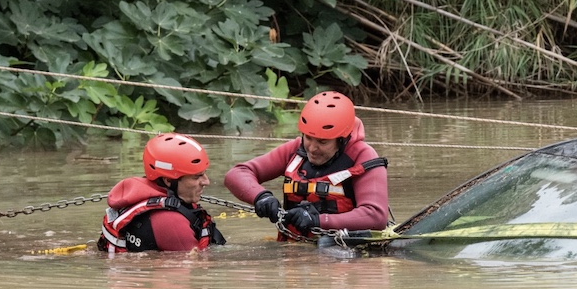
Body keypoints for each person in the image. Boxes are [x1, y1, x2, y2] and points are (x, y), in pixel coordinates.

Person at [224, 91, 389, 241]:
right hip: (293, 251)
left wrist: (318, 220)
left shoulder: (363, 156)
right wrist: (261, 196)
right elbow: (237, 174)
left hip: (342, 255)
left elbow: (376, 216)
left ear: (342, 139)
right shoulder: (295, 150)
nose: (311, 148)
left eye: (322, 142)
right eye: (308, 138)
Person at [97, 133, 226, 252]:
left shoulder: (148, 195)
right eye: (197, 177)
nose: (206, 181)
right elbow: (196, 266)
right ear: (169, 180)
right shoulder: (170, 221)